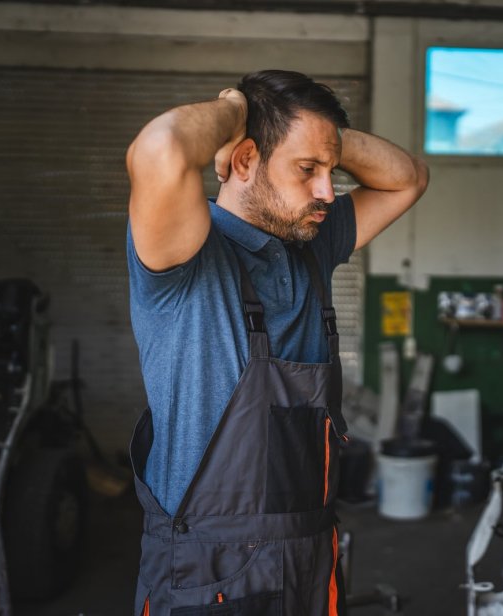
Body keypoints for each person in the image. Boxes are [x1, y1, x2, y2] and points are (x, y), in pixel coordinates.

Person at [125, 69, 428, 616]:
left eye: (330, 171)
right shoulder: (188, 256)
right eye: (308, 169)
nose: (326, 191)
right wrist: (238, 112)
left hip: (311, 557)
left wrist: (320, 136)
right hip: (209, 575)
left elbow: (409, 177)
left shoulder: (310, 243)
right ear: (243, 160)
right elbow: (161, 148)